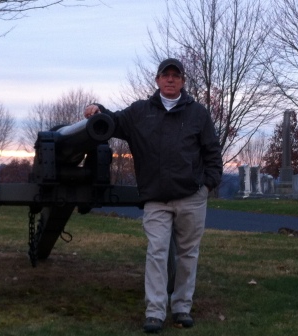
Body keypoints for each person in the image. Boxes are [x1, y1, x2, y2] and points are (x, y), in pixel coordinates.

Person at [84, 58, 223, 333]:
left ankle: (182, 308)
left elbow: (212, 153)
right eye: (165, 75)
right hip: (156, 198)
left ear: (182, 81)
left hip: (191, 197)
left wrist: (207, 185)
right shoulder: (139, 112)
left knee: (187, 255)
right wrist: (98, 109)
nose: (170, 80)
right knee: (157, 253)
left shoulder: (198, 114)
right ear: (157, 80)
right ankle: (155, 312)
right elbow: (112, 121)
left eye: (176, 75)